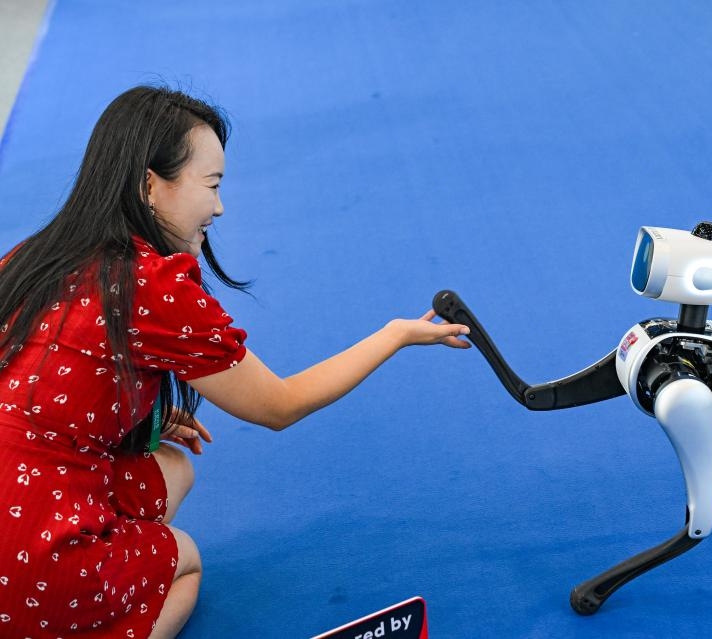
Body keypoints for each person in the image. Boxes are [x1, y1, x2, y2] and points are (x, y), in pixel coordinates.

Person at [0, 86, 470, 639]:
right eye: (213, 185)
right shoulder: (151, 284)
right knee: (184, 561)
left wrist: (125, 413)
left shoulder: (32, 257)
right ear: (151, 185)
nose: (219, 207)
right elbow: (280, 405)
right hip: (31, 549)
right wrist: (394, 336)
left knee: (174, 466)